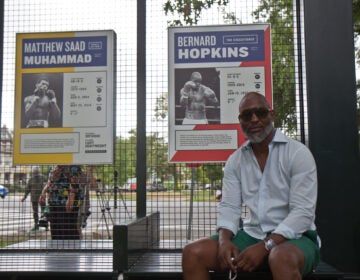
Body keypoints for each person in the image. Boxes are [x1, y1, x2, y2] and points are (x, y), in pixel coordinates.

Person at [182, 92, 320, 280]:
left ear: (272, 115)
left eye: (261, 113)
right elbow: (230, 206)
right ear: (240, 122)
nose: (254, 119)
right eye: (247, 115)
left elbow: (303, 213)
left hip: (296, 238)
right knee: (193, 253)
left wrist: (266, 245)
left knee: (280, 257)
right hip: (252, 235)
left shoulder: (298, 154)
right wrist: (224, 240)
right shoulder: (235, 160)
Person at [39, 165, 90, 240]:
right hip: (54, 201)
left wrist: (71, 196)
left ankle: (72, 249)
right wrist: (43, 192)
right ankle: (57, 249)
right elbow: (50, 181)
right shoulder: (56, 168)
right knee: (55, 228)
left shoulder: (74, 167)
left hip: (67, 203)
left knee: (67, 229)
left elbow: (75, 183)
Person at [20, 166, 46, 232]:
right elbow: (28, 189)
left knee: (44, 212)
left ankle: (46, 226)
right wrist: (24, 197)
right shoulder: (31, 179)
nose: (36, 173)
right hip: (34, 198)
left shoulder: (43, 178)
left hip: (42, 197)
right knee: (35, 212)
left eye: (36, 172)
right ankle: (36, 226)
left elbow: (46, 187)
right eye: (35, 172)